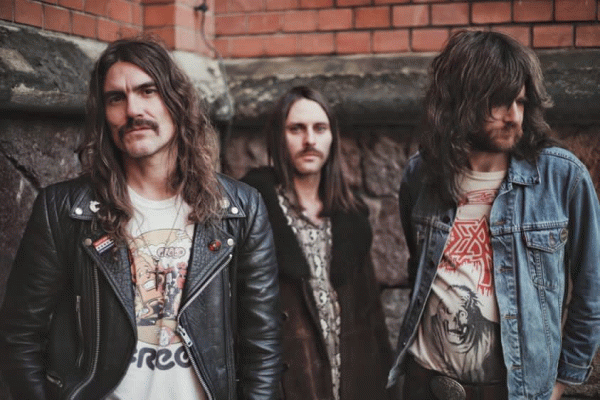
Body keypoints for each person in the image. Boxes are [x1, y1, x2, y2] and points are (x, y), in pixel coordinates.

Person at [0, 37, 281, 400]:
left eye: (148, 91)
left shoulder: (240, 209)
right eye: (116, 98)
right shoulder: (64, 210)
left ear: (176, 101)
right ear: (104, 114)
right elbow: (20, 334)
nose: (133, 110)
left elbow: (263, 345)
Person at [387, 30, 600, 400]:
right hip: (426, 385)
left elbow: (592, 288)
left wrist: (561, 382)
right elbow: (418, 265)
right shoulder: (422, 174)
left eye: (520, 102)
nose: (514, 116)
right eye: (499, 103)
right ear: (461, 102)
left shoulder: (561, 177)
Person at [241, 86, 394, 400]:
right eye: (297, 129)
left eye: (319, 128)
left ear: (332, 137)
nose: (309, 140)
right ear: (278, 137)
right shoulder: (254, 213)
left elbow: (372, 324)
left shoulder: (351, 219)